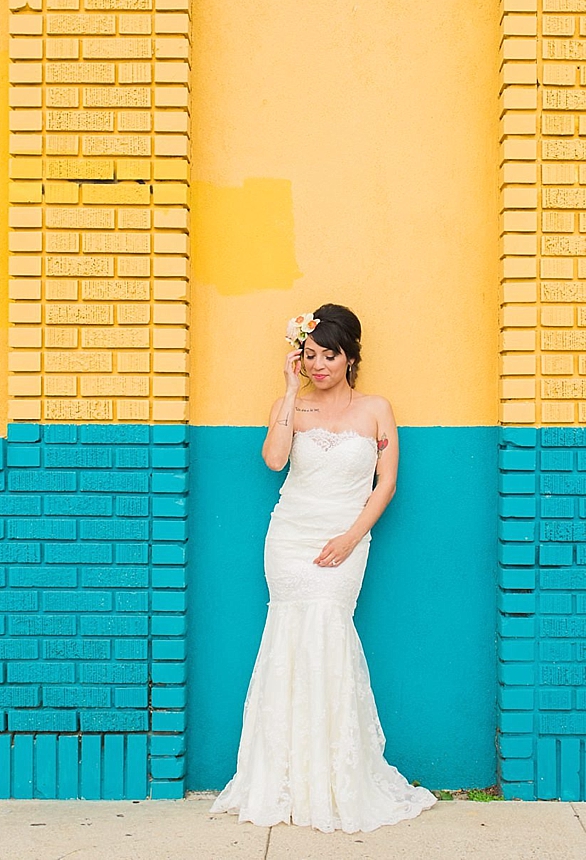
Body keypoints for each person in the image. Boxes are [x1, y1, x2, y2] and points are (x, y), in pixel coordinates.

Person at [210, 302, 437, 834]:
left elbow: (386, 483)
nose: (319, 366)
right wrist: (290, 392)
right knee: (288, 641)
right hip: (289, 540)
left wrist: (351, 537)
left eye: (329, 356)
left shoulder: (376, 409)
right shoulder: (292, 404)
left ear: (350, 358)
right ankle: (285, 777)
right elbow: (274, 460)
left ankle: (333, 779)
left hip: (345, 539)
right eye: (309, 355)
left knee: (328, 636)